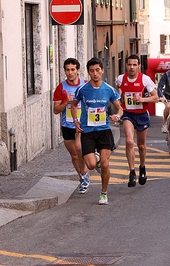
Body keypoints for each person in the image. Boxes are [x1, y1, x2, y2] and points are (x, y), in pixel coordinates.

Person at [71, 57, 123, 205]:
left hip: (104, 130)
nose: (95, 74)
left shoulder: (109, 89)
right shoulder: (82, 89)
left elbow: (120, 108)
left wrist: (117, 116)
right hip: (88, 131)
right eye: (92, 71)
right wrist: (75, 121)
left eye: (97, 70)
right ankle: (97, 160)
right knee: (91, 165)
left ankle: (103, 193)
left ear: (102, 71)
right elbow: (73, 105)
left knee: (105, 165)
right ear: (88, 73)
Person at [116, 54, 158, 187]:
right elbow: (118, 88)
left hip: (141, 115)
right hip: (128, 113)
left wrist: (142, 100)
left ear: (139, 66)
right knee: (129, 141)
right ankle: (132, 171)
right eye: (129, 64)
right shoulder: (120, 78)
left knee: (141, 145)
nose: (132, 67)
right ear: (126, 65)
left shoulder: (145, 80)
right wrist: (120, 96)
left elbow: (156, 98)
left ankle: (143, 167)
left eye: (134, 65)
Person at [53, 58, 90, 194]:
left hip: (83, 124)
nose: (70, 73)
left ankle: (87, 169)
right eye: (67, 70)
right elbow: (56, 110)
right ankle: (82, 175)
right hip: (67, 125)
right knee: (75, 156)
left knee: (81, 150)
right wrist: (66, 102)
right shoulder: (61, 88)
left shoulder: (86, 85)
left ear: (78, 70)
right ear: (64, 71)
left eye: (73, 69)